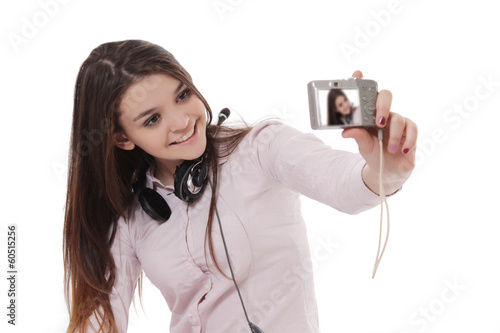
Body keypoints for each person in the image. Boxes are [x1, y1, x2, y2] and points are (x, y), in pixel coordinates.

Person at [63, 39, 417, 333]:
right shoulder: (130, 216)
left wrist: (386, 168)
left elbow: (345, 185)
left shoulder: (263, 148)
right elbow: (100, 320)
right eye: (153, 119)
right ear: (123, 138)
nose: (182, 121)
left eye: (183, 95)